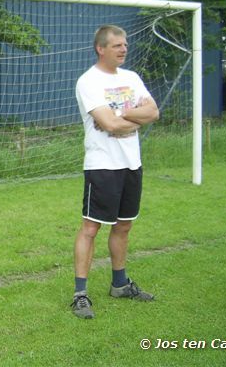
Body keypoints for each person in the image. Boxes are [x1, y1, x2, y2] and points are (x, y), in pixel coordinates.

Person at [71, 24, 160, 319]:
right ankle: (80, 294)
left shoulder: (131, 78)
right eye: (117, 45)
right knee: (91, 228)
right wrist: (133, 118)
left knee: (123, 226)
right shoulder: (89, 81)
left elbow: (153, 112)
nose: (124, 49)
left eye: (125, 44)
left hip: (131, 163)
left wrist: (120, 114)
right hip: (102, 166)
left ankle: (120, 285)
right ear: (101, 48)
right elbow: (107, 125)